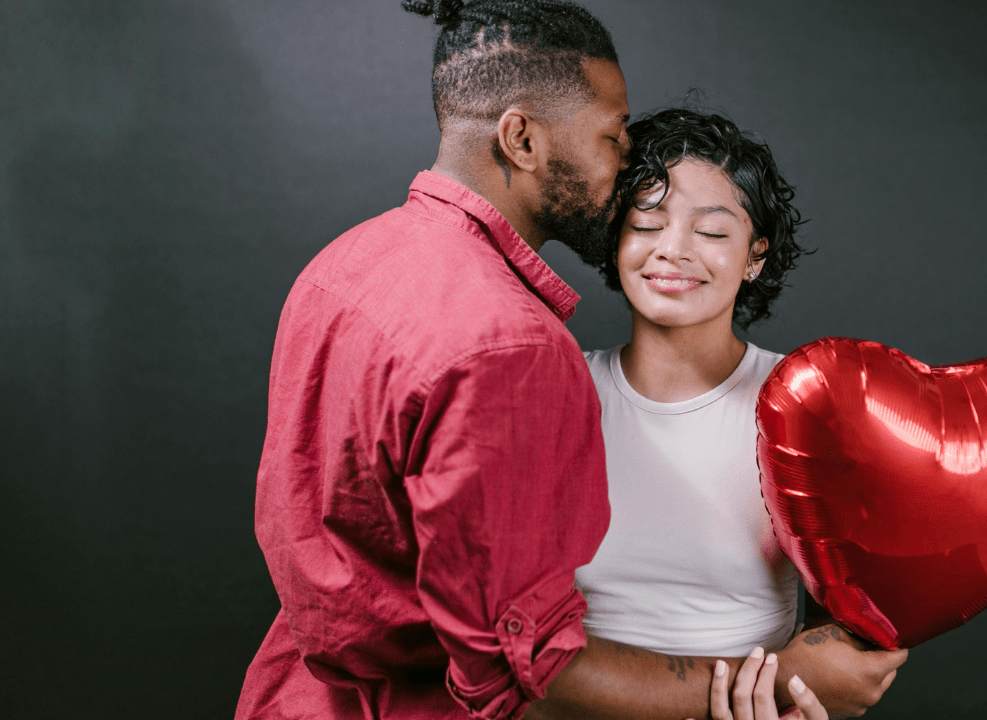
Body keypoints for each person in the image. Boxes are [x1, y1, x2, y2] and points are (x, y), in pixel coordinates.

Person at [237, 2, 901, 718]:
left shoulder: (342, 264)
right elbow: (523, 670)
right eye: (612, 138)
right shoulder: (516, 347)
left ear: (755, 255)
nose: (620, 169)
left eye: (711, 230)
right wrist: (771, 681)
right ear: (521, 139)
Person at [574, 108, 908, 720]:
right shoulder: (554, 389)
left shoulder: (805, 405)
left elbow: (862, 634)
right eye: (646, 221)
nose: (672, 250)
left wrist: (806, 693)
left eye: (713, 232)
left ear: (756, 255)